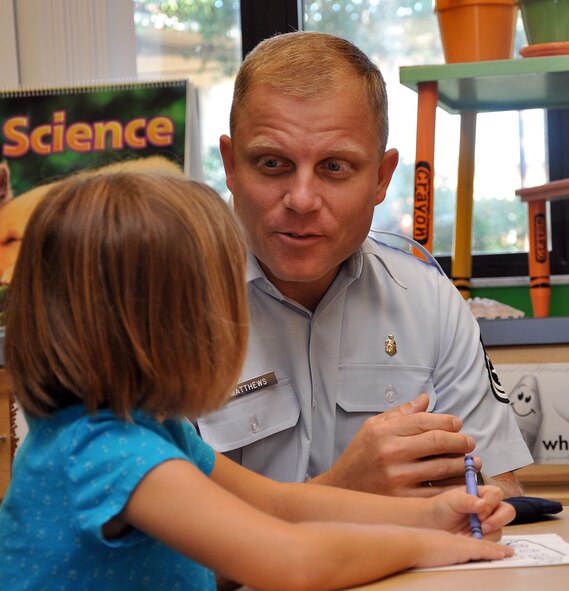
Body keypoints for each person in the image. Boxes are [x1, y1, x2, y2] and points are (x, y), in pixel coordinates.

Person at [0, 170, 514, 591]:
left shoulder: (147, 431)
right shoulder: (107, 453)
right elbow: (291, 560)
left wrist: (432, 516)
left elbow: (281, 504)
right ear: (161, 327)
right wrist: (429, 549)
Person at [198, 30, 533, 497]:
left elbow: (498, 491)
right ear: (231, 167)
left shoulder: (429, 302)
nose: (301, 199)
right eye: (272, 163)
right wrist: (347, 492)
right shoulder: (165, 308)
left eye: (335, 167)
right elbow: (155, 542)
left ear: (380, 177)